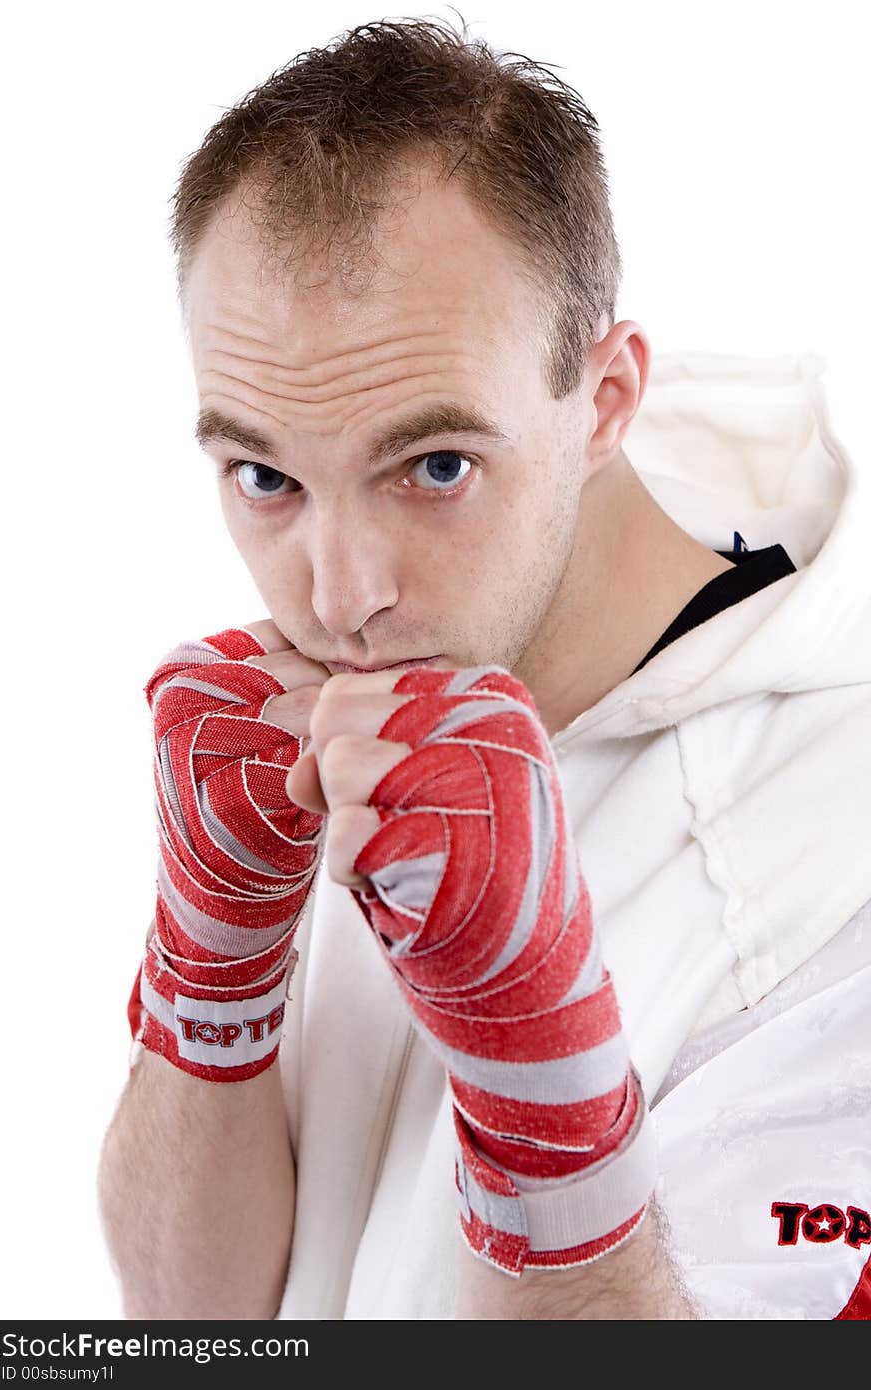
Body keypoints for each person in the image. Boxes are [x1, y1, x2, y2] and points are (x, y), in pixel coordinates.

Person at [97, 16, 871, 1320]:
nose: (343, 597)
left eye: (435, 465)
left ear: (605, 397)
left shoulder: (830, 844)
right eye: (267, 476)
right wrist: (207, 965)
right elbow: (192, 1318)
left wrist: (551, 1124)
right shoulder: (372, 694)